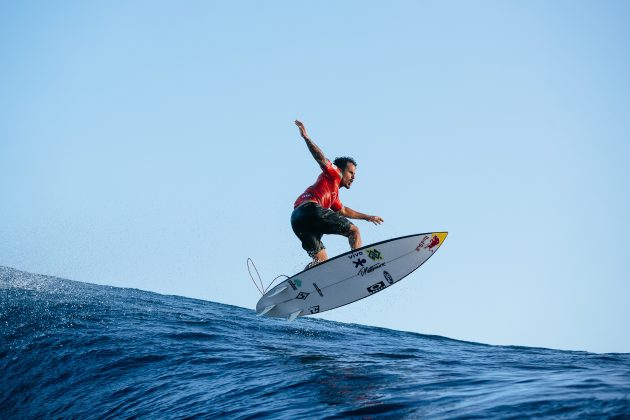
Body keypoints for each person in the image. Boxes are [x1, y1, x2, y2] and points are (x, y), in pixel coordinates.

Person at [291, 120, 384, 268]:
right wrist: (306, 138)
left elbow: (344, 210)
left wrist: (368, 217)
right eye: (351, 173)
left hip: (297, 220)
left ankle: (310, 278)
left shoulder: (332, 194)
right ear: (341, 170)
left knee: (322, 263)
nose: (353, 177)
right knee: (354, 231)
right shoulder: (334, 173)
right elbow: (320, 158)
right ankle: (360, 264)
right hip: (311, 210)